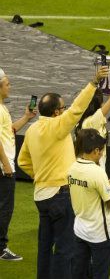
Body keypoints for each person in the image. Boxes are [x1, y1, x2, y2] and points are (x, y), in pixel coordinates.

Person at [17, 66, 108, 279]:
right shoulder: (58, 127)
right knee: (66, 250)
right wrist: (93, 83)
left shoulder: (31, 130)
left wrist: (41, 175)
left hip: (41, 196)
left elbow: (22, 161)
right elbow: (77, 108)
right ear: (57, 112)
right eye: (63, 108)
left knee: (45, 247)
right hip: (61, 195)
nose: (66, 111)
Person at [68, 129, 110, 279]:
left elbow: (88, 187)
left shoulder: (72, 167)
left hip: (80, 230)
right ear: (95, 150)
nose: (102, 154)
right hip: (99, 234)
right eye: (101, 151)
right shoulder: (97, 172)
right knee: (100, 274)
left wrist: (106, 185)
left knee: (79, 272)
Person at [0, 68, 36, 261]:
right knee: (5, 209)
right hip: (3, 168)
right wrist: (6, 165)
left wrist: (27, 118)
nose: (10, 87)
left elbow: (9, 130)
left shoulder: (2, 108)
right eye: (7, 84)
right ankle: (1, 248)